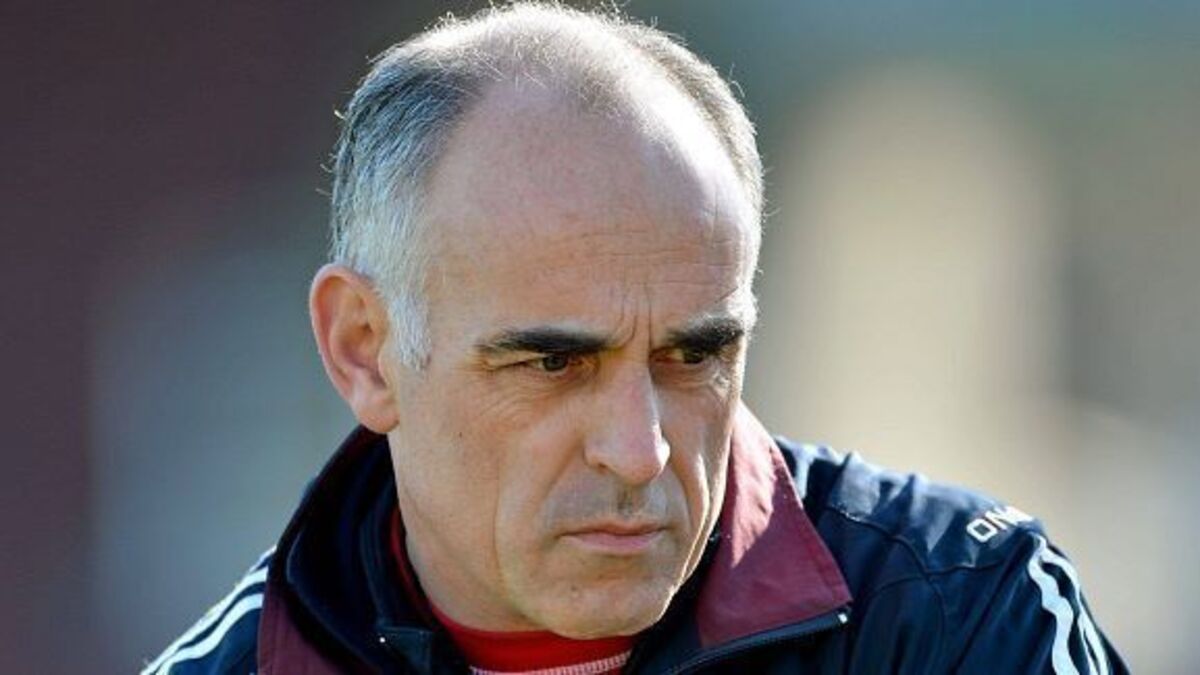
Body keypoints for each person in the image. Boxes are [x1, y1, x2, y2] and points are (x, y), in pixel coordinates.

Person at [142, 3, 1128, 674]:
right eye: (553, 362)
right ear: (364, 348)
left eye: (694, 356)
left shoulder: (959, 612)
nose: (640, 449)